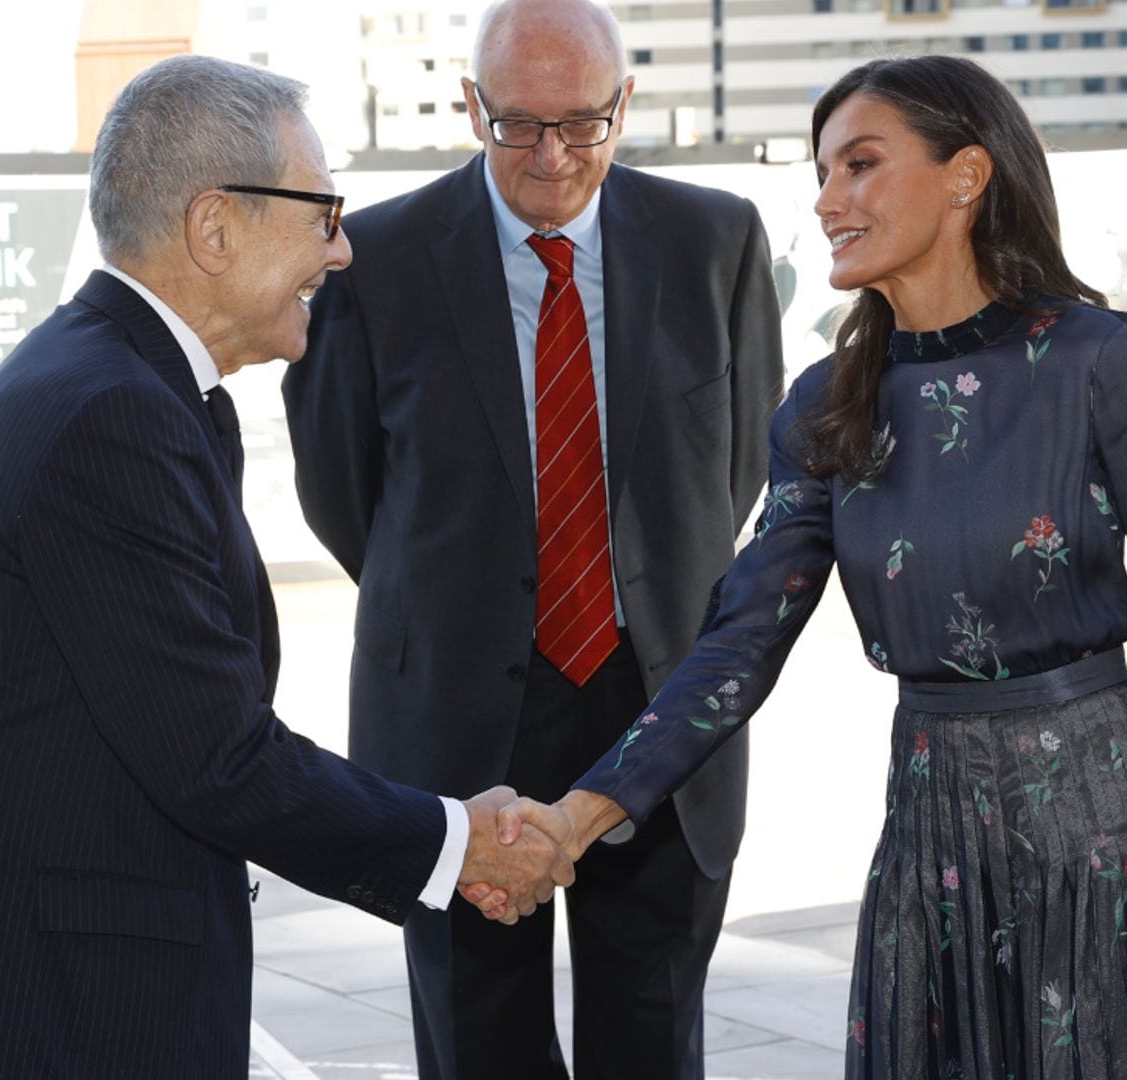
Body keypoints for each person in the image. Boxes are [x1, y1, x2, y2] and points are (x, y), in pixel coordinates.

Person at [493, 55, 1127, 1079]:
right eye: (822, 173)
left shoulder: (1095, 360)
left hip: (1105, 841)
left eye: (860, 165)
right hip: (933, 852)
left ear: (966, 175)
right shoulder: (824, 406)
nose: (826, 201)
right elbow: (736, 649)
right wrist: (577, 817)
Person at [0, 56, 568, 1079]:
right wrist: (457, 843)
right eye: (323, 213)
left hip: (68, 971)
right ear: (214, 225)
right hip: (47, 998)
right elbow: (217, 760)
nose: (345, 250)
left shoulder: (127, 385)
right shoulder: (111, 417)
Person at [280, 0, 785, 1075]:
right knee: (479, 1047)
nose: (551, 156)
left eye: (582, 124)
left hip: (661, 713)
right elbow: (342, 494)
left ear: (624, 108)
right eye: (517, 124)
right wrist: (462, 600)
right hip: (456, 729)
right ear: (471, 108)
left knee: (651, 1044)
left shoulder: (715, 238)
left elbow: (739, 467)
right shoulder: (371, 259)